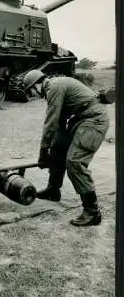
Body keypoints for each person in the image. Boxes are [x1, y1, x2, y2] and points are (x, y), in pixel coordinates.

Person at [23, 70, 110, 227]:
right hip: (81, 119)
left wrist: (43, 150)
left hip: (94, 120)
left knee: (74, 162)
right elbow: (60, 122)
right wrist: (52, 148)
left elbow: (51, 121)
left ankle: (92, 211)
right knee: (58, 149)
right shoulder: (56, 85)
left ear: (37, 83)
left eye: (31, 90)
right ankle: (53, 190)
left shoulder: (53, 88)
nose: (32, 94)